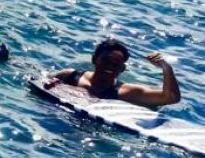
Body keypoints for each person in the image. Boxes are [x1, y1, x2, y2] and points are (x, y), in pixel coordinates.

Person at [47, 38, 181, 108]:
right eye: (106, 61)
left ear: (122, 69)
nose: (110, 67)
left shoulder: (126, 92)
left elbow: (171, 98)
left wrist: (166, 67)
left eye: (116, 64)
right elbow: (40, 83)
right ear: (94, 59)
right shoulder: (69, 76)